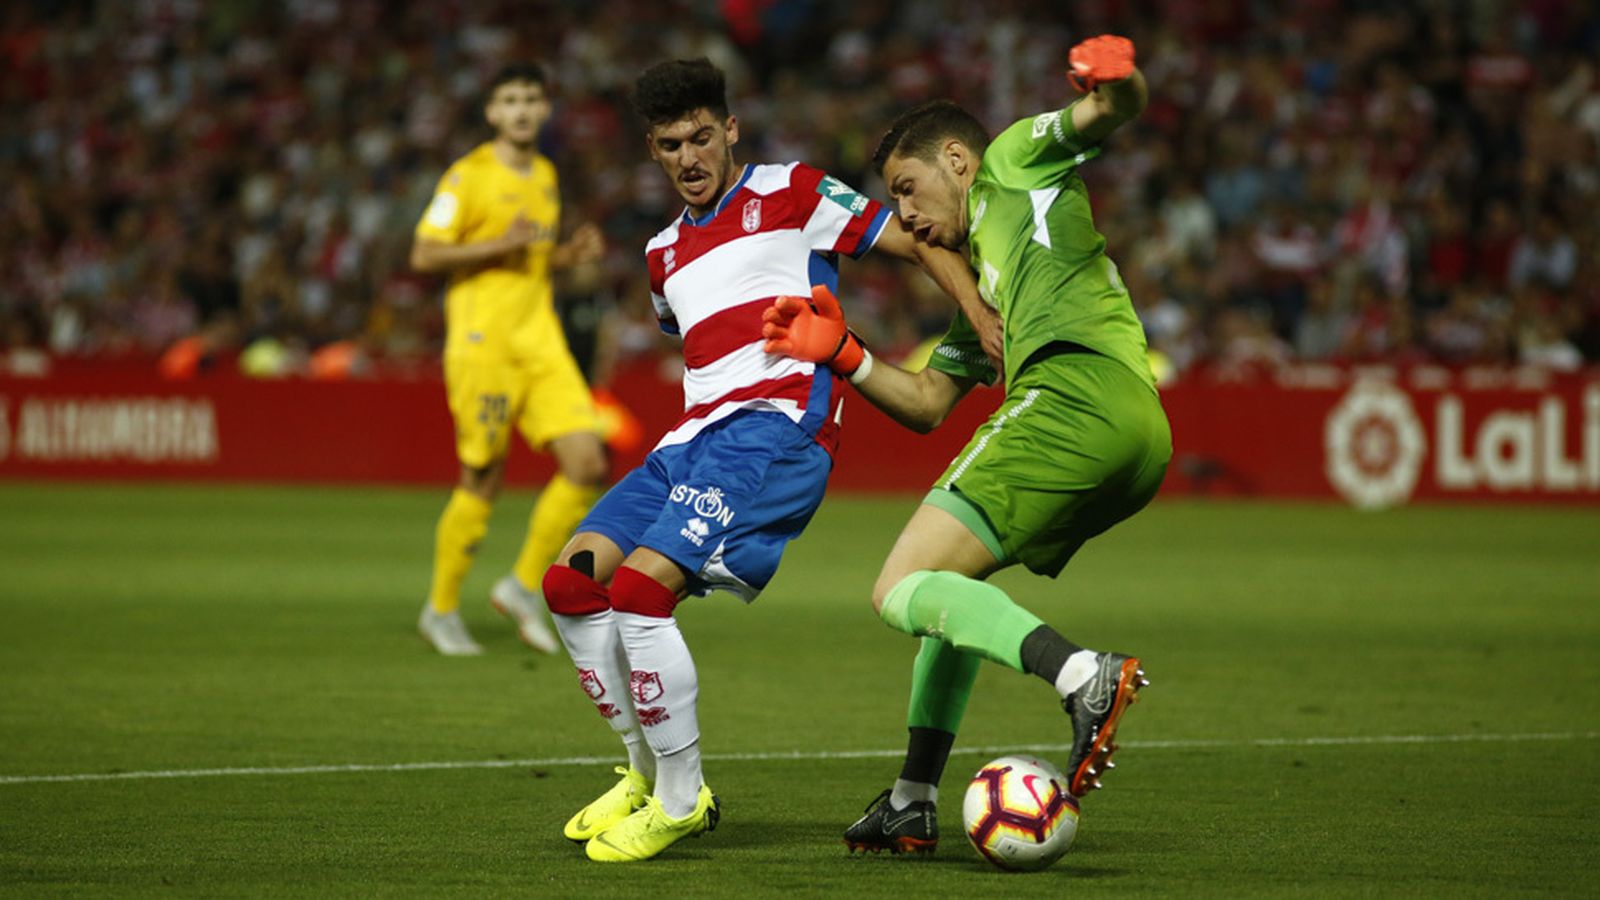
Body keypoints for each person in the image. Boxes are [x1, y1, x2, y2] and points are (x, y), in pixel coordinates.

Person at [537, 58, 997, 863]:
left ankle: (682, 800)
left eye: (701, 137)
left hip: (773, 431)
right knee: (571, 583)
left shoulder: (794, 192)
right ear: (652, 150)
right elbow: (696, 339)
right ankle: (644, 772)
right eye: (671, 145)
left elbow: (919, 241)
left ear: (730, 130)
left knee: (641, 592)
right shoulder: (660, 254)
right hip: (689, 442)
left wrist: (979, 313)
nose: (689, 157)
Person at [761, 35, 1170, 855]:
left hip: (1073, 395)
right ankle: (911, 799)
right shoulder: (985, 290)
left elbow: (1108, 111)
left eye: (907, 189)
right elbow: (924, 405)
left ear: (955, 159)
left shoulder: (1013, 160)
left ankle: (1081, 675)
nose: (906, 216)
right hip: (1135, 428)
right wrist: (842, 352)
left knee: (897, 586)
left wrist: (1117, 78)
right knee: (949, 589)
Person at [411, 63, 609, 656]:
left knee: (587, 462)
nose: (521, 110)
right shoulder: (467, 176)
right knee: (483, 476)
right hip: (484, 343)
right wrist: (499, 243)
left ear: (544, 109)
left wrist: (566, 256)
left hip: (539, 339)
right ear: (492, 112)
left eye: (530, 99)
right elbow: (424, 253)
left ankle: (522, 586)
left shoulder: (545, 174)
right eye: (510, 100)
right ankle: (441, 609)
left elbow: (530, 260)